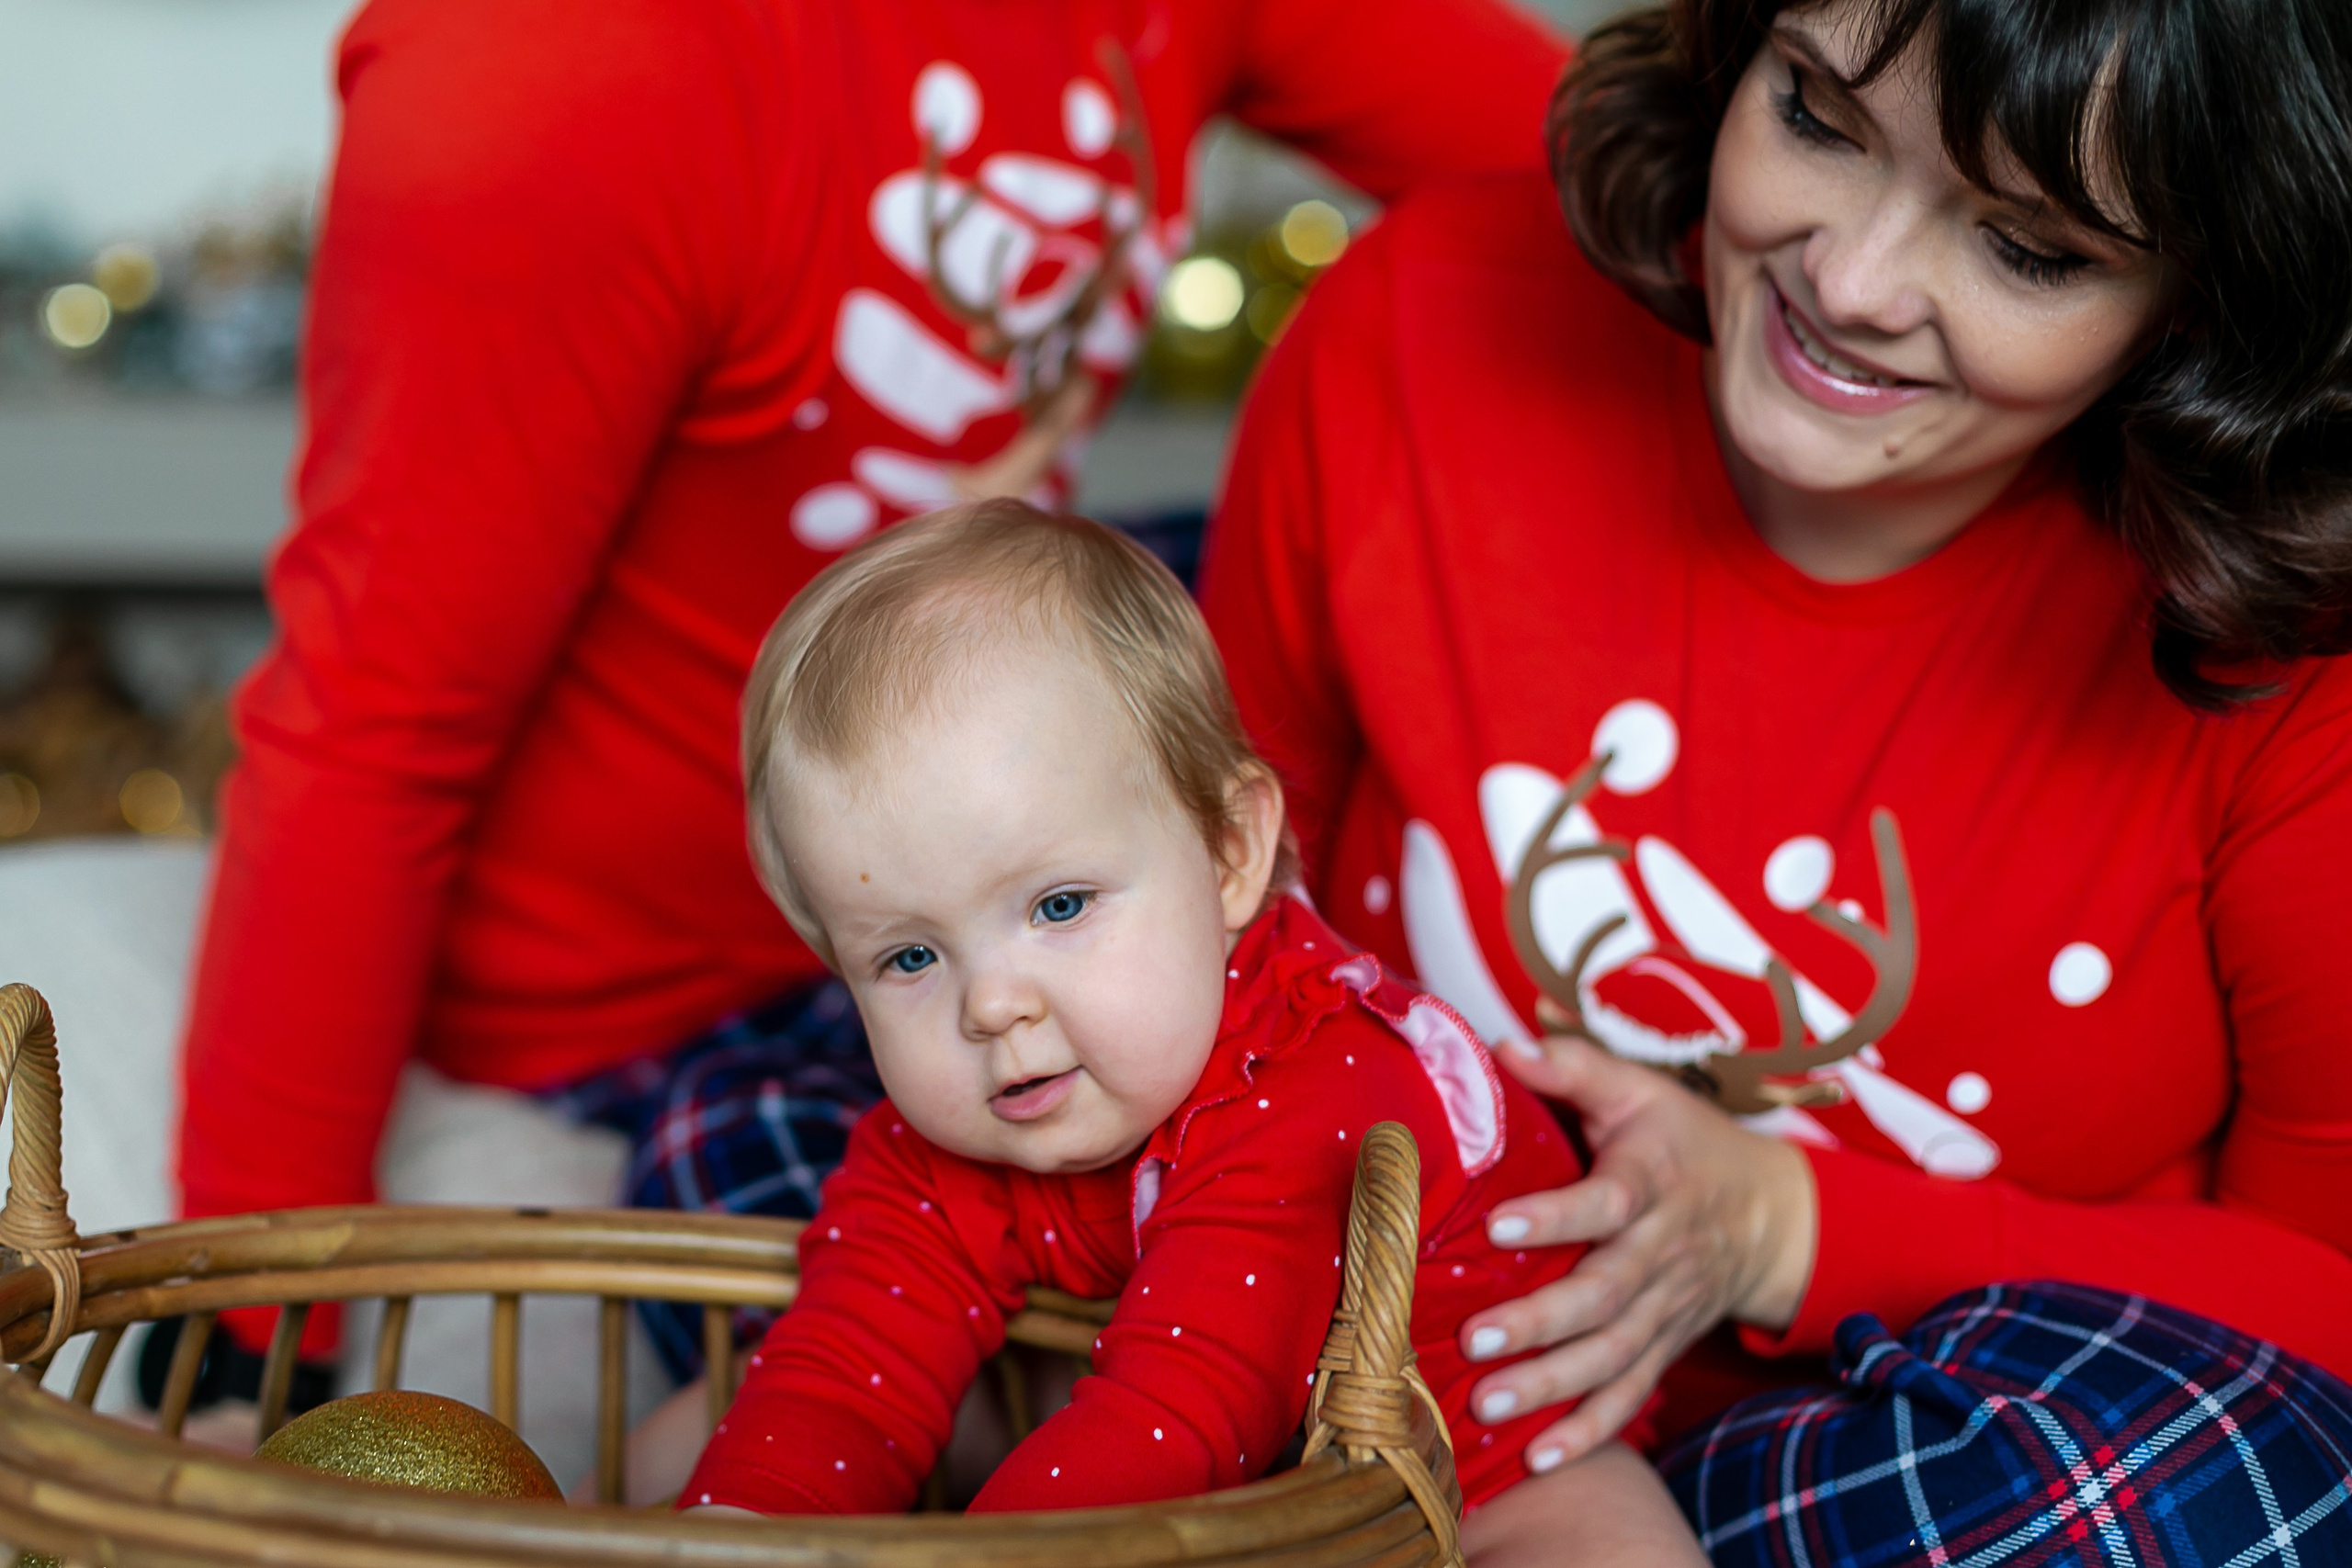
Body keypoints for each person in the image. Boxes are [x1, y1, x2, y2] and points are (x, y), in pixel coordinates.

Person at [174, 0, 1571, 1370]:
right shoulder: (560, 69)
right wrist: (242, 1347)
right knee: (890, 1332)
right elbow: (373, 718)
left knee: (1248, 561)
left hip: (1006, 793)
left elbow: (1632, 180)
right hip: (679, 989)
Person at [1199, 0, 2352, 1559]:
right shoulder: (1419, 326)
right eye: (1816, 115)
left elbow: (2325, 1303)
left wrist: (1785, 1224)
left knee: (2219, 1485)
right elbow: (1193, 953)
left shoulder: (2293, 660)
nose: (1848, 282)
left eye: (2030, 249)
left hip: (1919, 1472)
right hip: (1403, 1411)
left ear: (2203, 303)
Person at [673, 499, 1702, 1566]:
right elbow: (845, 1368)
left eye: (1059, 906)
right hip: (1153, 1466)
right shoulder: (960, 1126)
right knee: (730, 1416)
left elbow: (1178, 1411)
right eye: (909, 958)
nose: (990, 1007)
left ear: (1227, 856)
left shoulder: (1319, 1080)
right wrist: (739, 1533)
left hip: (1477, 1474)